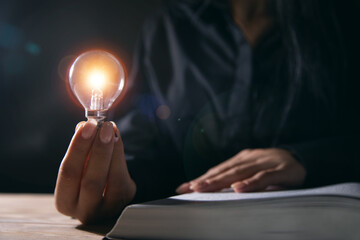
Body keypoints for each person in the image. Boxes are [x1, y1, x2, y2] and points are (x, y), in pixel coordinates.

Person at [54, 0, 360, 224]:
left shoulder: (344, 22)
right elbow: (144, 149)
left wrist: (308, 158)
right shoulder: (169, 29)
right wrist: (114, 184)